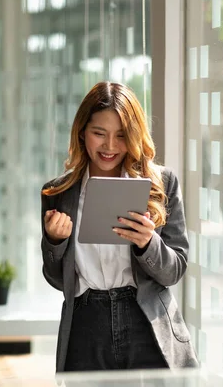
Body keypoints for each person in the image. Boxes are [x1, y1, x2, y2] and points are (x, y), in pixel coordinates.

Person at [40, 81, 199, 373]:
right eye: (99, 133)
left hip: (146, 322)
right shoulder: (57, 193)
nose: (110, 146)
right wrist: (54, 242)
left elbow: (175, 269)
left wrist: (148, 244)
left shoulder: (161, 185)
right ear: (82, 132)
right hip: (87, 326)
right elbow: (58, 280)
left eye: (122, 135)